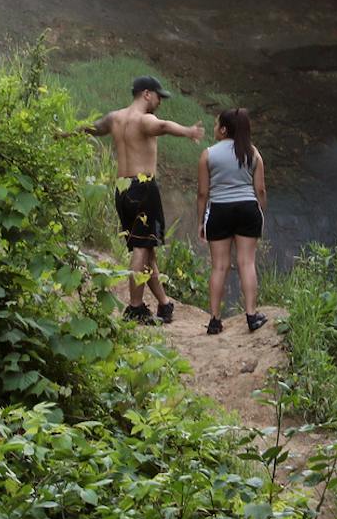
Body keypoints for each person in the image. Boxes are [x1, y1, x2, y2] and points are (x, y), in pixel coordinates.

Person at [81, 76, 204, 324]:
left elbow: (91, 128)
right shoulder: (144, 119)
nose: (160, 102)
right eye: (159, 96)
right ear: (147, 94)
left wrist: (64, 135)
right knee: (141, 248)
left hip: (122, 190)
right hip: (143, 188)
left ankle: (164, 304)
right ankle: (135, 308)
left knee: (147, 249)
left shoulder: (114, 118)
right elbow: (164, 126)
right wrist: (188, 131)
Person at [196, 106, 267, 335]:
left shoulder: (208, 154)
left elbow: (202, 193)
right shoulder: (252, 153)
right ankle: (252, 316)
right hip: (247, 209)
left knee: (219, 266)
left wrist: (201, 221)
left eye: (216, 124)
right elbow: (260, 190)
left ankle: (215, 320)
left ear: (224, 130)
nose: (214, 128)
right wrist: (260, 211)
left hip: (219, 210)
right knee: (246, 262)